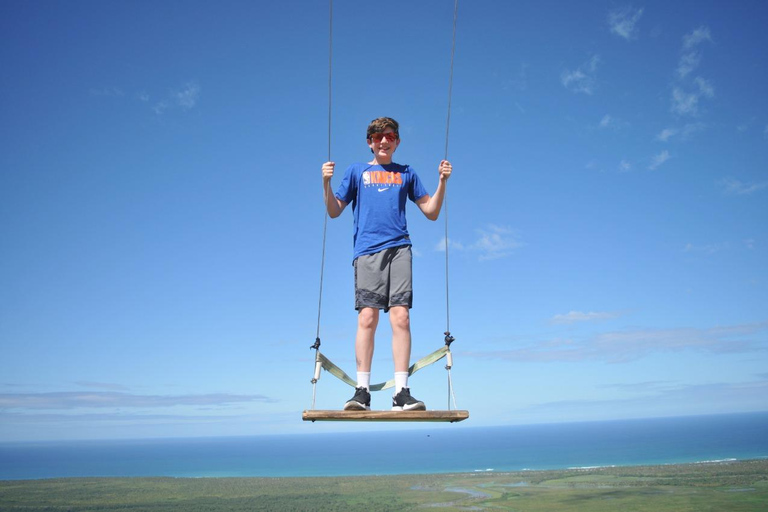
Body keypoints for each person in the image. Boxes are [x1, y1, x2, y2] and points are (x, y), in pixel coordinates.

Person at [322, 117, 452, 411]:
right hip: (367, 251)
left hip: (400, 250)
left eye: (390, 136)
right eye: (378, 136)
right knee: (367, 318)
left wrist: (442, 182)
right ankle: (362, 392)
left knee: (401, 318)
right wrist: (326, 183)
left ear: (397, 142)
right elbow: (333, 211)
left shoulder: (407, 173)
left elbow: (431, 211)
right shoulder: (357, 171)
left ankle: (401, 392)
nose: (384, 141)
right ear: (370, 142)